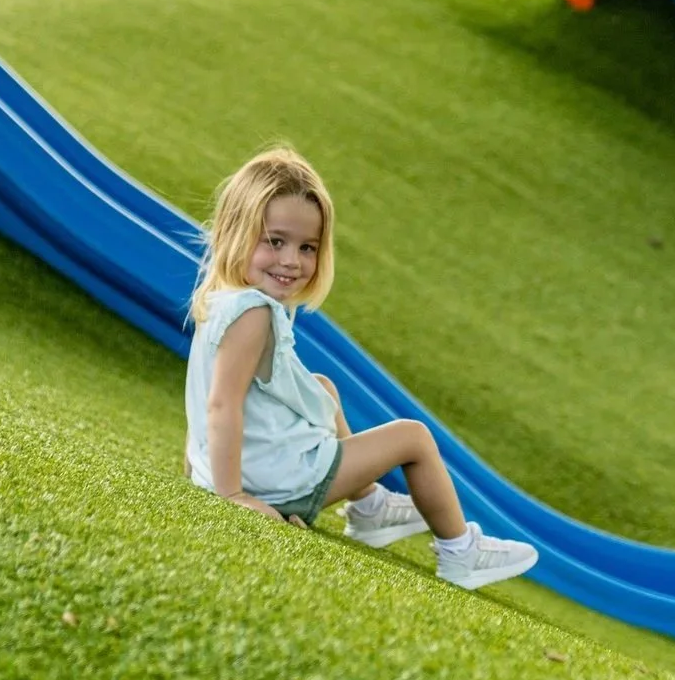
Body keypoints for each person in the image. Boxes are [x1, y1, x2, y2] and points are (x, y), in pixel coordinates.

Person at [183, 147, 540, 591]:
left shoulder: (221, 299)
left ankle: (368, 505)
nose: (292, 260)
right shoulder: (253, 312)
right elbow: (221, 407)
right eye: (275, 241)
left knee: (323, 388)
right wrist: (233, 495)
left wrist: (195, 473)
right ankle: (460, 552)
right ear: (238, 231)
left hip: (250, 471)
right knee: (413, 437)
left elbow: (202, 400)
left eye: (307, 247)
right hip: (277, 481)